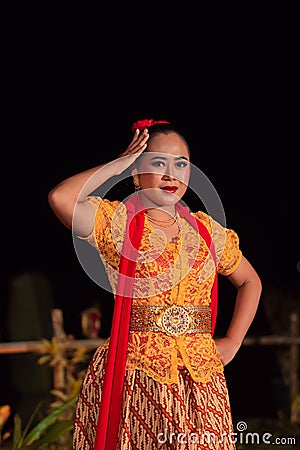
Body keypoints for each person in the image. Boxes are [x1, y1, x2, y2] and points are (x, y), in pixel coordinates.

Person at [48, 119, 262, 450]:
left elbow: (250, 281)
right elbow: (61, 197)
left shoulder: (207, 232)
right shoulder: (118, 224)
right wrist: (115, 165)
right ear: (136, 172)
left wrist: (233, 341)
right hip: (137, 374)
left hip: (200, 378)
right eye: (158, 163)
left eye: (181, 164)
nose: (170, 174)